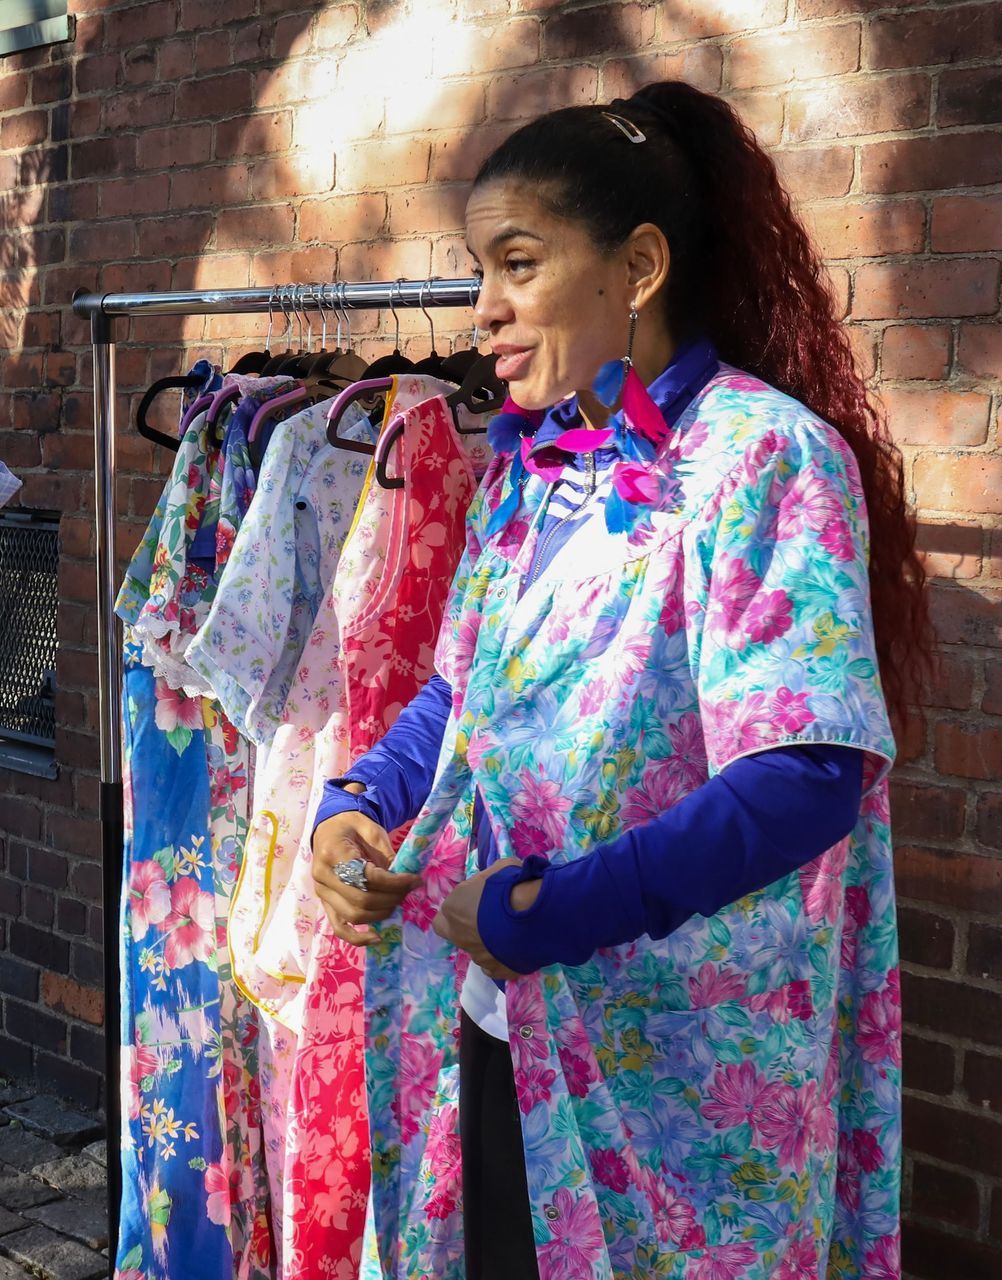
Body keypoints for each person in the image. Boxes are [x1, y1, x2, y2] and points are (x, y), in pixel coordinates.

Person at [310, 82, 931, 1280]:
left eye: (518, 263)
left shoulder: (763, 456)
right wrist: (359, 801)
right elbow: (459, 697)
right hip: (507, 1024)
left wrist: (565, 907)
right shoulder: (533, 467)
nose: (481, 307)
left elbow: (809, 770)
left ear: (638, 266)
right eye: (478, 268)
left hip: (685, 1077)